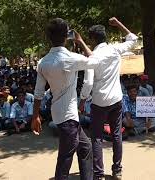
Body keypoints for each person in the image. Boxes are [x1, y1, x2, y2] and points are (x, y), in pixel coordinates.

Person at [32, 18, 100, 180]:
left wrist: (35, 115)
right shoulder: (70, 58)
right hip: (69, 116)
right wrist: (81, 41)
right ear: (66, 37)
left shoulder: (43, 62)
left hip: (60, 113)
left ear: (49, 37)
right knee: (65, 157)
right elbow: (95, 61)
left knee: (85, 147)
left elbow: (38, 92)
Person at [78, 18, 138, 180]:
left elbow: (88, 83)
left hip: (99, 102)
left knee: (96, 137)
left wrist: (82, 101)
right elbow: (133, 39)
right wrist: (119, 23)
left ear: (92, 39)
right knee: (116, 135)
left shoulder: (93, 56)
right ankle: (117, 170)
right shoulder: (114, 49)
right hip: (116, 99)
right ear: (105, 36)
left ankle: (99, 174)